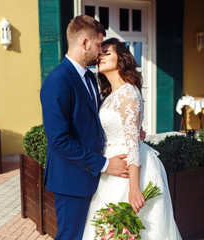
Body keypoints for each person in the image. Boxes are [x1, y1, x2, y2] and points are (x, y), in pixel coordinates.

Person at [40, 16, 131, 240]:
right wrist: (105, 164)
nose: (101, 52)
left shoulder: (89, 78)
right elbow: (59, 141)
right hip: (71, 180)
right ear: (84, 43)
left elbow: (94, 122)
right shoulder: (58, 80)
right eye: (99, 45)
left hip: (91, 178)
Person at [82, 38, 182, 239]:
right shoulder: (112, 94)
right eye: (100, 53)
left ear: (122, 59)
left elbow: (133, 145)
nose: (100, 56)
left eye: (107, 53)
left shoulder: (128, 92)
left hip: (130, 171)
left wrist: (134, 188)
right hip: (111, 167)